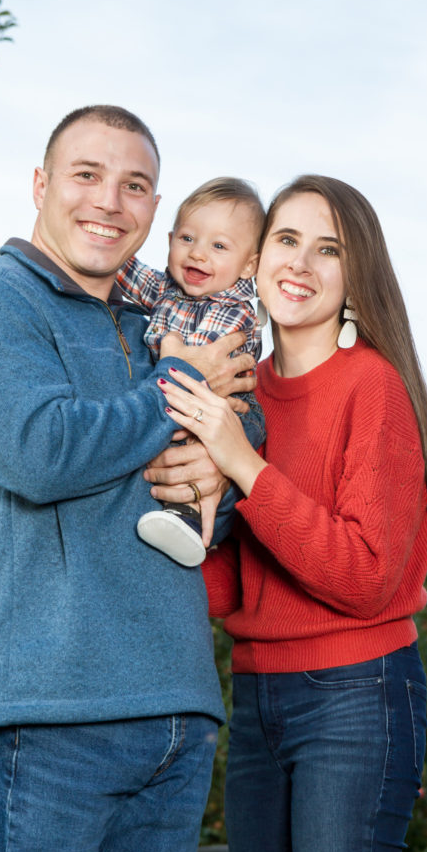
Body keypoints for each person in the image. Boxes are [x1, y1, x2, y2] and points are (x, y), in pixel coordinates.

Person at [0, 104, 257, 852]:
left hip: (177, 711)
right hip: (51, 709)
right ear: (41, 185)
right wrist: (175, 389)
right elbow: (38, 453)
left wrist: (225, 459)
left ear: (155, 208)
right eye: (86, 175)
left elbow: (243, 422)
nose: (109, 202)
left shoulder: (160, 317)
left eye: (136, 185)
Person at [151, 174, 427, 852]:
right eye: (287, 240)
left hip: (355, 698)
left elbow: (363, 576)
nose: (302, 264)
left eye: (330, 250)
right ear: (254, 259)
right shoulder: (242, 394)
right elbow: (229, 583)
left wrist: (242, 466)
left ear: (357, 277)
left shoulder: (371, 388)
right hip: (256, 700)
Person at [116, 176, 266, 567]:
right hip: (181, 396)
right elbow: (125, 269)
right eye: (187, 239)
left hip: (227, 410)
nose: (198, 254)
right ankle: (179, 517)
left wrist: (168, 353)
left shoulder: (235, 310)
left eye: (218, 246)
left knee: (195, 451)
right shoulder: (169, 289)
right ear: (169, 241)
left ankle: (196, 524)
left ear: (249, 263)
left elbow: (198, 364)